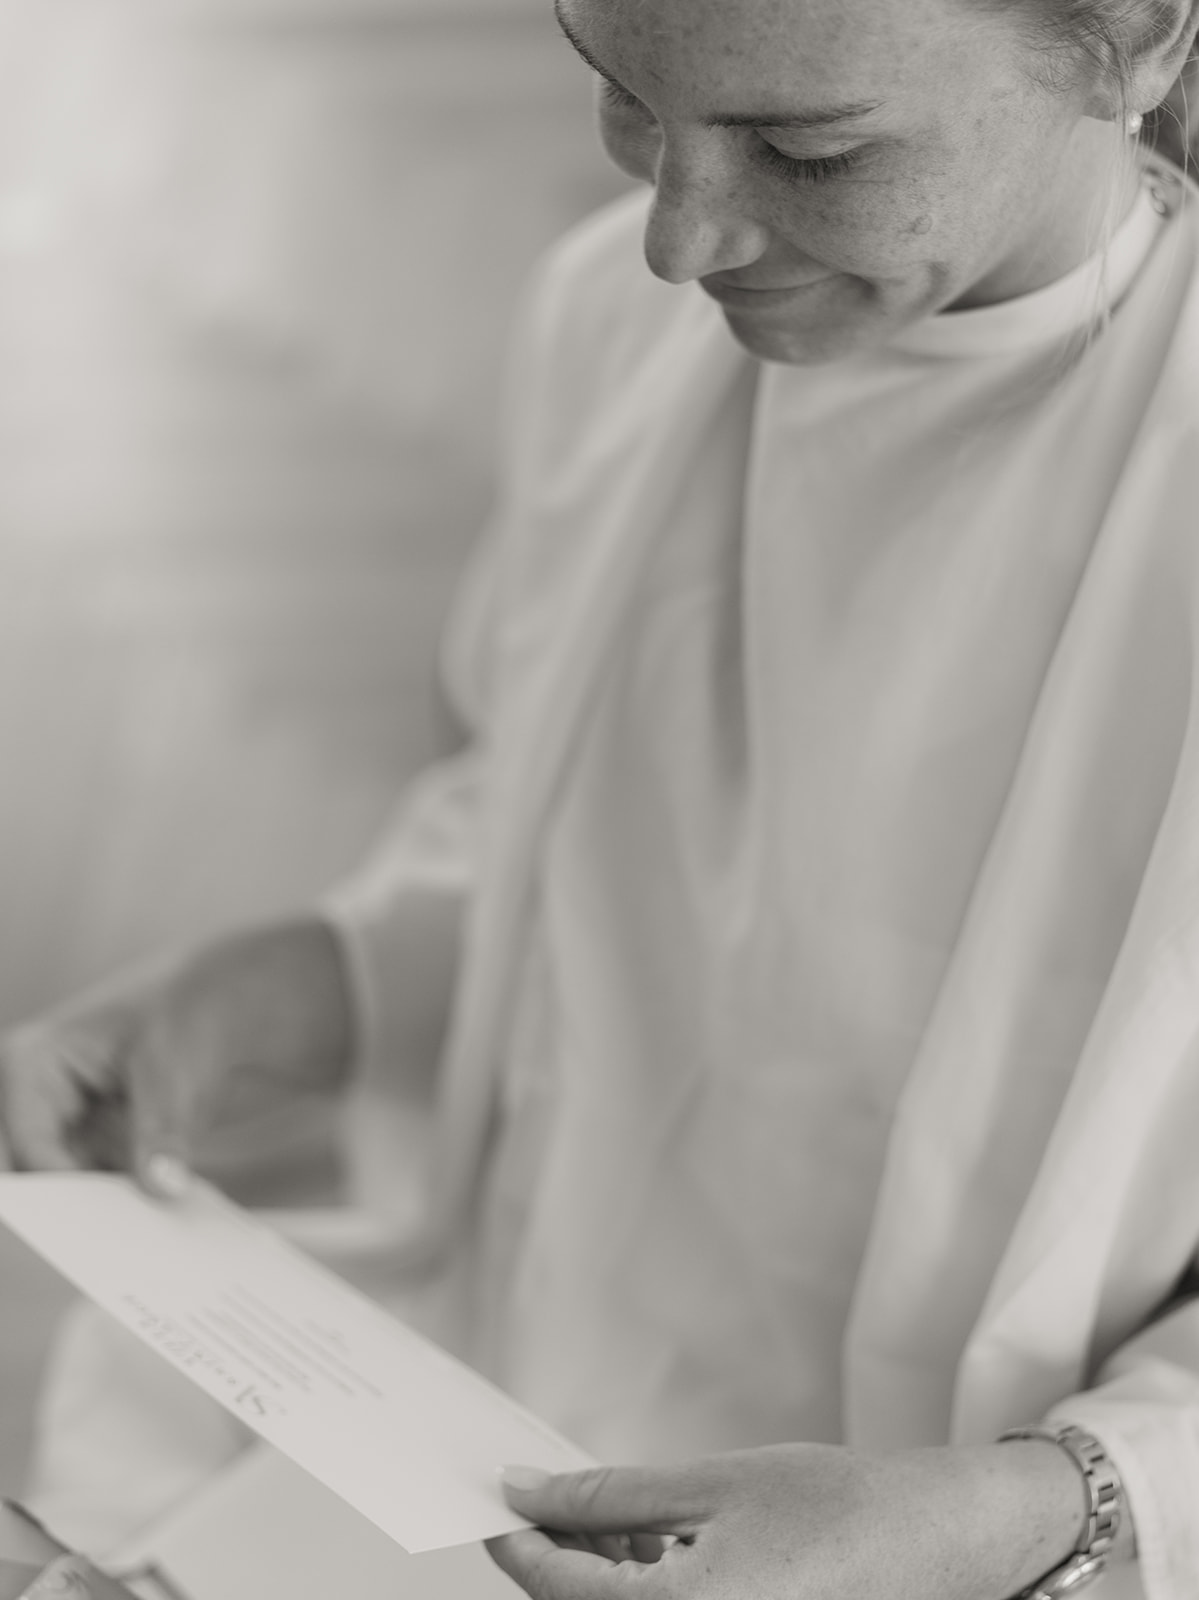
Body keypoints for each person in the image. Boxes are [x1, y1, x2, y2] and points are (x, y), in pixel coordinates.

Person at [4, 0, 1199, 1596]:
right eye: (626, 99)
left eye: (810, 149)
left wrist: (1030, 1509)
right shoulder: (609, 326)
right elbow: (571, 819)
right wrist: (307, 982)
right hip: (507, 1409)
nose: (678, 239)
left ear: (1144, 51)